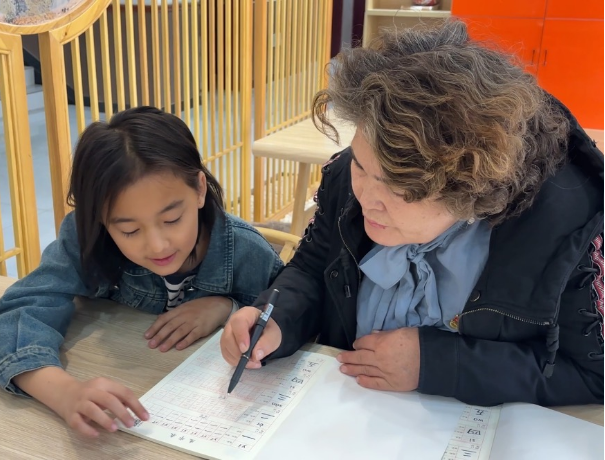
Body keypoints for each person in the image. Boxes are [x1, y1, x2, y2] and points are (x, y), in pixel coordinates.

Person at [221, 20, 604, 407]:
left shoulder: (569, 231)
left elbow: (592, 374)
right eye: (360, 166)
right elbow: (312, 268)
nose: (366, 198)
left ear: (470, 187)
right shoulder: (348, 176)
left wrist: (438, 364)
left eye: (398, 187)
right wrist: (277, 319)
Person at [0, 107, 283, 437]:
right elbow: (9, 321)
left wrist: (228, 308)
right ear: (100, 220)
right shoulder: (87, 240)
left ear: (199, 189)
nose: (158, 246)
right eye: (129, 231)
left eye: (172, 220)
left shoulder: (246, 252)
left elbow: (292, 321)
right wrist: (64, 392)